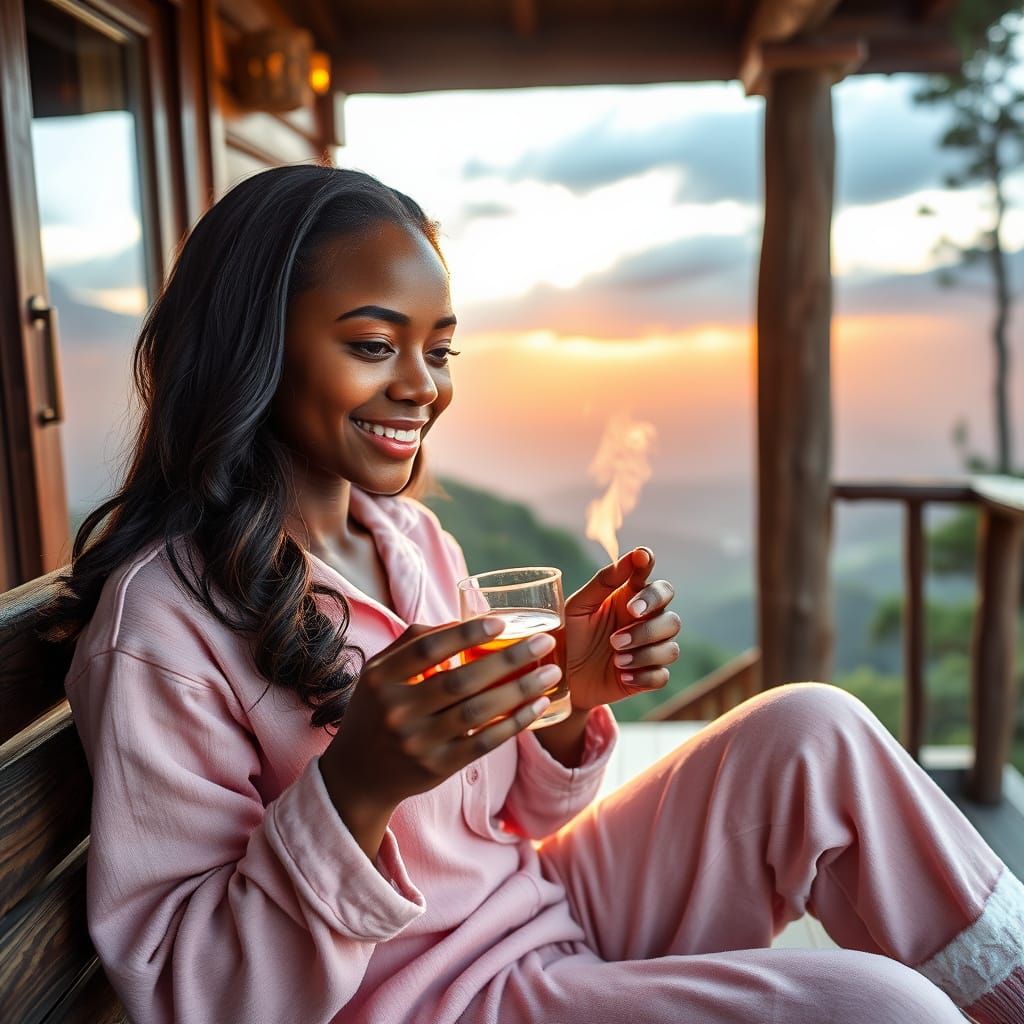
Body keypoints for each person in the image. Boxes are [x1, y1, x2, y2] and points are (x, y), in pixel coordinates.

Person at [46, 164, 1022, 1024]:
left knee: (814, 729)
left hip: (533, 908)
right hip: (426, 997)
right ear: (252, 344)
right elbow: (193, 997)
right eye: (375, 344)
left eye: (440, 349)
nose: (422, 386)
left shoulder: (410, 538)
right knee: (878, 1009)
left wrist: (566, 704)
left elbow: (511, 820)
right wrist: (357, 789)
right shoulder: (162, 633)